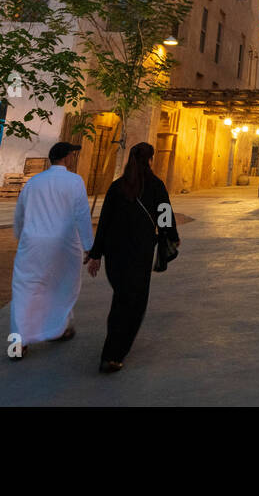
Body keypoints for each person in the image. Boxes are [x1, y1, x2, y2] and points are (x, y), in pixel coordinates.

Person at [86, 142, 179, 373]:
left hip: (115, 254)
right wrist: (171, 237)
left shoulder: (117, 187)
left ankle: (113, 349)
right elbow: (165, 215)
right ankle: (114, 354)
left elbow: (104, 222)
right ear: (150, 159)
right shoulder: (156, 186)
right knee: (134, 303)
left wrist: (96, 254)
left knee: (121, 299)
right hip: (140, 252)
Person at [10, 141, 93, 359]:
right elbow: (82, 215)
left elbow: (20, 212)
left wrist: (20, 236)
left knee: (25, 290)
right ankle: (59, 328)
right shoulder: (75, 181)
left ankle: (18, 342)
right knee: (62, 286)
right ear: (67, 158)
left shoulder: (34, 182)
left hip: (33, 244)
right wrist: (90, 247)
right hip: (64, 245)